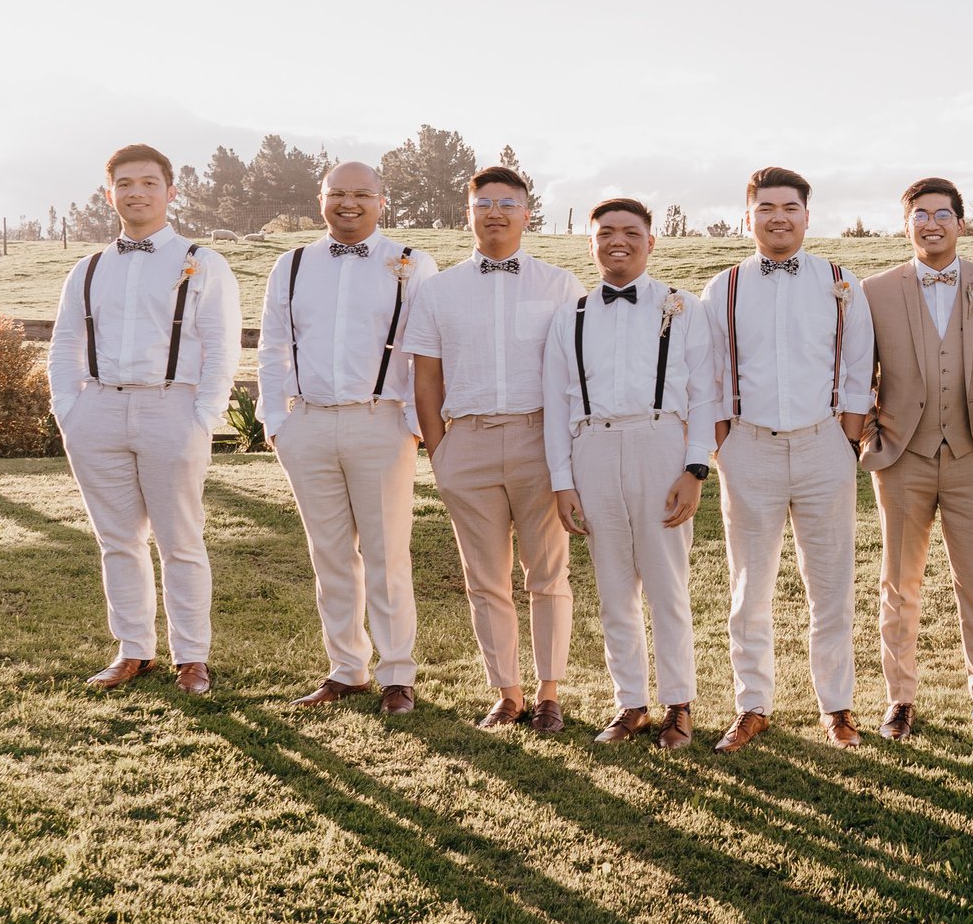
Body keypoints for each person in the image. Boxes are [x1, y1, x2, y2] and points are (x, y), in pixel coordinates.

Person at [46, 144, 241, 696]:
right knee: (117, 539)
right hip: (98, 411)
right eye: (125, 183)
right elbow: (66, 342)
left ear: (170, 191)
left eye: (149, 183)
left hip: (171, 408)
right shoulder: (87, 269)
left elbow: (222, 345)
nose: (137, 192)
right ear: (109, 193)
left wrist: (202, 416)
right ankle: (133, 650)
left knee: (181, 539)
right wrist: (70, 410)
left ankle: (192, 657)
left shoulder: (203, 260)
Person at [400, 166, 581, 732]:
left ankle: (550, 691)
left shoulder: (560, 285)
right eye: (484, 203)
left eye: (508, 203)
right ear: (468, 213)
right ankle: (508, 692)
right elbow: (425, 378)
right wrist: (440, 450)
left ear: (528, 214)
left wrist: (567, 451)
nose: (496, 212)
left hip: (539, 438)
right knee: (485, 578)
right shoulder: (438, 290)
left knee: (548, 572)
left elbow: (578, 373)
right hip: (466, 443)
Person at [702, 168, 876, 752]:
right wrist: (725, 442)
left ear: (807, 214)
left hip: (824, 443)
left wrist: (847, 439)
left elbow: (858, 367)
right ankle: (753, 706)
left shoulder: (840, 281)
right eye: (767, 207)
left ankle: (837, 708)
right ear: (748, 215)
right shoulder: (721, 288)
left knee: (829, 583)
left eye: (790, 207)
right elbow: (714, 374)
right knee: (749, 584)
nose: (779, 216)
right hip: (748, 447)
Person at [257, 161, 437, 716]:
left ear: (382, 201)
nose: (349, 203)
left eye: (362, 194)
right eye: (338, 194)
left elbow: (428, 345)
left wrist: (410, 424)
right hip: (306, 424)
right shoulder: (290, 266)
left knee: (386, 553)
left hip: (380, 421)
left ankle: (397, 674)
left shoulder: (410, 262)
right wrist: (276, 422)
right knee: (329, 553)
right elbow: (272, 347)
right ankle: (345, 669)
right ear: (321, 199)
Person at [543, 197, 719, 752]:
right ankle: (631, 704)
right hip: (591, 446)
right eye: (605, 233)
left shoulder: (683, 307)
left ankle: (679, 705)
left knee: (667, 585)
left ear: (651, 240)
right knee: (613, 587)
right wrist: (561, 480)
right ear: (590, 242)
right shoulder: (569, 315)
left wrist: (695, 468)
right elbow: (554, 404)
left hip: (660, 443)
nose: (617, 242)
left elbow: (704, 396)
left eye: (630, 232)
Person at [860, 177, 973, 746]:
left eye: (942, 214)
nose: (932, 223)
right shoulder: (874, 290)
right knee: (898, 584)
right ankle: (900, 699)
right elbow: (860, 373)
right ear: (907, 225)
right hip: (902, 457)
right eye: (920, 215)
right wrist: (870, 438)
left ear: (961, 222)